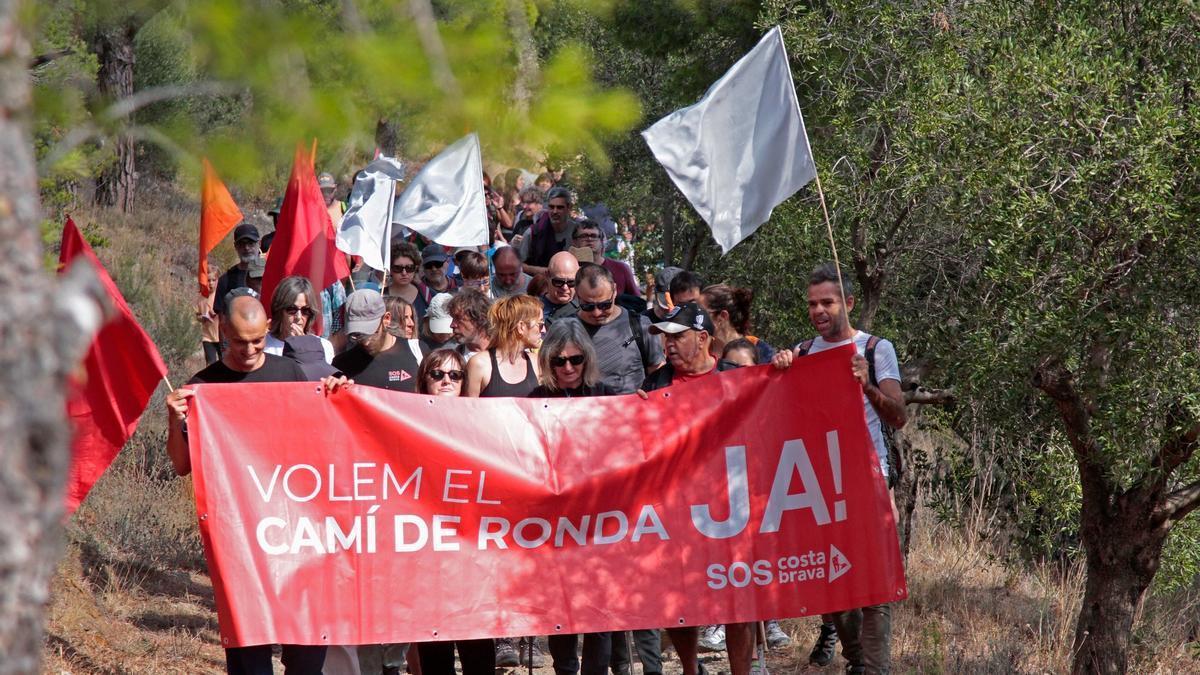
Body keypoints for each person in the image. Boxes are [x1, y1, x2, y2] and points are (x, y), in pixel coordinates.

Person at [165, 294, 348, 675]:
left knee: (306, 647)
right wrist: (173, 419)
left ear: (268, 330)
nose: (248, 350)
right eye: (238, 341)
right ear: (223, 332)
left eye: (257, 341)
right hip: (238, 536)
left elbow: (320, 441)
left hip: (294, 528)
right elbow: (182, 465)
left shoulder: (291, 373)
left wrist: (336, 397)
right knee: (250, 652)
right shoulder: (203, 386)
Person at [640, 302, 794, 675]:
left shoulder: (735, 375)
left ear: (704, 338)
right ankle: (691, 669)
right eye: (664, 337)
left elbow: (772, 410)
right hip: (677, 507)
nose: (668, 345)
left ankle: (741, 670)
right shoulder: (656, 382)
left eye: (677, 336)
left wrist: (784, 370)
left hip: (732, 507)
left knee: (737, 597)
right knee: (680, 597)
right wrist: (638, 411)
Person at [794, 263, 907, 675]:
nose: (819, 311)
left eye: (827, 302)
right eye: (812, 304)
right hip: (821, 486)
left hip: (868, 482)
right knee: (831, 584)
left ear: (849, 303)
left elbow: (898, 416)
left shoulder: (876, 350)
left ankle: (874, 669)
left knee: (875, 585)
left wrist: (867, 386)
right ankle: (856, 657)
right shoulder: (804, 353)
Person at [527, 321, 614, 675]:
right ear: (548, 362)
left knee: (600, 606)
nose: (567, 368)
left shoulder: (606, 395)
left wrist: (643, 406)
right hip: (553, 520)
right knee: (558, 602)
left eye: (575, 360)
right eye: (560, 361)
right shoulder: (534, 401)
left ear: (586, 359)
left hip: (599, 518)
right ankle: (565, 668)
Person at [571, 264, 663, 394]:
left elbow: (659, 375)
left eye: (604, 305)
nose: (597, 313)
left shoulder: (640, 325)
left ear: (614, 291)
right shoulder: (565, 330)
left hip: (632, 410)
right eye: (588, 306)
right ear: (577, 295)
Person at [331, 290, 425, 393]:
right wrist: (334, 390)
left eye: (371, 331)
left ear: (386, 319)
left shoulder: (418, 351)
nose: (366, 341)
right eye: (357, 334)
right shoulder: (341, 364)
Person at [465, 294, 543, 399]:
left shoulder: (537, 363)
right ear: (521, 327)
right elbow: (469, 410)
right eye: (540, 324)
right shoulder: (480, 364)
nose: (543, 330)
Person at [264, 276, 335, 363]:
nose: (298, 317)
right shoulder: (263, 345)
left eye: (305, 310)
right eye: (292, 309)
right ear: (279, 311)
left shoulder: (323, 346)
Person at [699, 284, 775, 363]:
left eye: (700, 313)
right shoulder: (699, 352)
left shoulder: (762, 351)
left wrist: (784, 360)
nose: (694, 319)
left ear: (722, 317)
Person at [570, 220, 641, 297]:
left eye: (594, 236)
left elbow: (637, 303)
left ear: (601, 241)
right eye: (584, 236)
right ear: (574, 242)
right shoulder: (569, 270)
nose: (589, 239)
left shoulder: (621, 269)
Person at [520, 186, 578, 276]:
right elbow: (519, 265)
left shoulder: (577, 231)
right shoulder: (533, 232)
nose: (554, 211)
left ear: (569, 207)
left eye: (560, 207)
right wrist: (542, 271)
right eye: (551, 207)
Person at [213, 223, 261, 317]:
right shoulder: (225, 280)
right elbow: (221, 317)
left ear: (259, 244)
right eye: (241, 244)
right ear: (235, 246)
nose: (246, 248)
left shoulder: (271, 275)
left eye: (250, 243)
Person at [386, 241, 428, 319]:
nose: (404, 273)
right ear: (390, 269)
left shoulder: (426, 294)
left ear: (415, 268)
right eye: (398, 268)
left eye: (409, 268)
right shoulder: (381, 295)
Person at [448, 288, 492, 360]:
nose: (452, 325)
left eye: (459, 318)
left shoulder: (505, 352)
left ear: (480, 318)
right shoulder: (453, 361)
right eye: (453, 318)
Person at [540, 251, 580, 322]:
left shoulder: (585, 312)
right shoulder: (531, 309)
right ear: (547, 276)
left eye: (571, 282)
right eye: (558, 282)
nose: (565, 287)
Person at [196, 261, 221, 364]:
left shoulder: (220, 294)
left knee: (224, 362)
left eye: (213, 280)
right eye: (208, 280)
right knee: (210, 364)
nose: (210, 283)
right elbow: (197, 315)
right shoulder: (201, 297)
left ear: (217, 280)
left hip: (221, 336)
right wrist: (202, 318)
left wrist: (217, 312)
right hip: (207, 337)